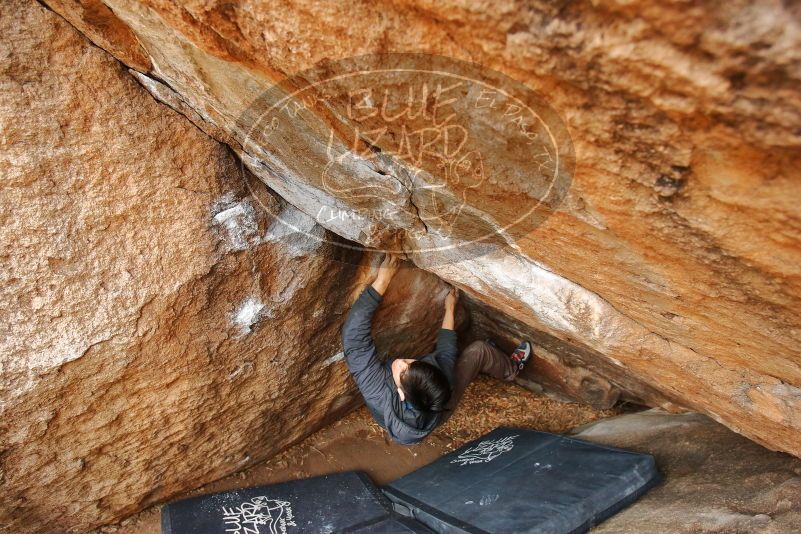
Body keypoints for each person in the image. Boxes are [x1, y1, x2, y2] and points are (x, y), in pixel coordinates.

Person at [341, 253, 532, 445]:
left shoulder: (378, 391)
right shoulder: (440, 383)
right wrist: (449, 309)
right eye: (409, 364)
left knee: (472, 353)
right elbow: (446, 352)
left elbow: (354, 341)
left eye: (405, 367)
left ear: (401, 394)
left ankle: (509, 369)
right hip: (434, 413)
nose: (401, 362)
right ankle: (510, 370)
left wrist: (382, 281)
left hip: (394, 420)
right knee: (480, 350)